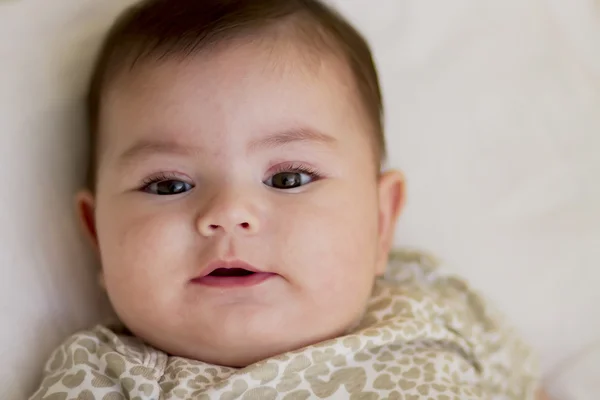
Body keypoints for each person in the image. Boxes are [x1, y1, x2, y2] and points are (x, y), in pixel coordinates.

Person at [30, 0, 545, 398]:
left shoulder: (438, 301)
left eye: (290, 178)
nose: (229, 213)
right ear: (98, 236)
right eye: (169, 185)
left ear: (382, 221)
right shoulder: (105, 377)